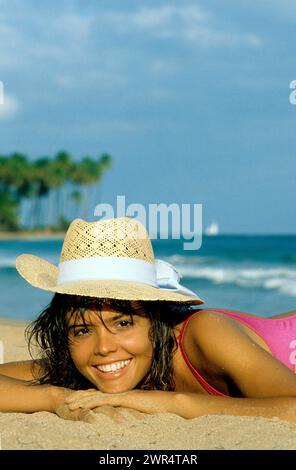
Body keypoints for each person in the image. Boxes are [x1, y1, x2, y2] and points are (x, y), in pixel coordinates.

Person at [0, 217, 295, 423]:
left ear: (156, 320)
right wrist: (56, 398)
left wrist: (172, 403)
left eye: (123, 323)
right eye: (82, 329)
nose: (103, 348)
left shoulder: (205, 334)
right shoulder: (83, 365)